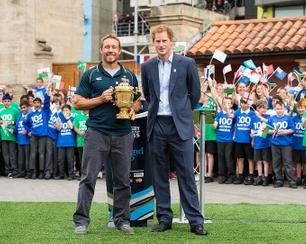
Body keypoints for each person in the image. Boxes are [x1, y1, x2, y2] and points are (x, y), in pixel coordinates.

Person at [141, 25, 207, 235]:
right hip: (157, 124)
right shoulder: (147, 67)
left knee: (186, 174)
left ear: (171, 42)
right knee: (159, 175)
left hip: (180, 125)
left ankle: (195, 221)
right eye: (157, 41)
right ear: (154, 43)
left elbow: (194, 94)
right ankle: (164, 218)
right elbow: (149, 96)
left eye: (164, 41)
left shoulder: (187, 63)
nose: (161, 45)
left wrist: (181, 111)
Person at [72, 33, 141, 235]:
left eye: (114, 47)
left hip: (123, 133)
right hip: (97, 132)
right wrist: (100, 99)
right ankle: (81, 220)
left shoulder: (129, 75)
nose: (110, 50)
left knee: (122, 180)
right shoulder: (91, 74)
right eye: (107, 47)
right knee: (88, 178)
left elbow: (137, 99)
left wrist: (132, 109)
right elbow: (77, 102)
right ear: (101, 50)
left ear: (119, 51)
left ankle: (122, 220)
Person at [268, 101, 297, 188]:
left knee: (288, 163)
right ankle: (279, 180)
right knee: (276, 162)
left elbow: (293, 129)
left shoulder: (288, 118)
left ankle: (291, 180)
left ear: (284, 109)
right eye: (277, 109)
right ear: (275, 109)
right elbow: (266, 131)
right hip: (275, 143)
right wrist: (274, 131)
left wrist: (285, 132)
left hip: (286, 144)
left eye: (281, 109)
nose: (279, 110)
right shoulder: (272, 119)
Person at [213, 97, 235, 184]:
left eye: (228, 103)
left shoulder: (233, 113)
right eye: (224, 103)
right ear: (222, 104)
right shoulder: (219, 114)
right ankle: (222, 175)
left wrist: (228, 110)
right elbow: (215, 125)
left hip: (229, 140)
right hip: (220, 139)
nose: (226, 105)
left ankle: (231, 175)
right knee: (221, 158)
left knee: (228, 158)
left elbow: (231, 116)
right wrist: (213, 123)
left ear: (231, 105)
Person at [0, 93, 20, 177]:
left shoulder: (15, 110)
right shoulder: (1, 111)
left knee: (12, 154)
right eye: (5, 101)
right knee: (5, 154)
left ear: (10, 102)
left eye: (8, 101)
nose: (6, 102)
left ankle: (14, 170)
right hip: (3, 136)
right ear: (2, 102)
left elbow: (19, 121)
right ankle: (7, 170)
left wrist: (13, 125)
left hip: (12, 136)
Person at [55, 104, 76, 180]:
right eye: (63, 110)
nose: (65, 112)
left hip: (70, 143)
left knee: (70, 160)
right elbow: (58, 129)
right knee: (61, 160)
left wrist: (67, 118)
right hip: (61, 142)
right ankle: (61, 174)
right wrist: (58, 123)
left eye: (67, 110)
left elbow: (71, 127)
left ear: (70, 111)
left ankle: (71, 175)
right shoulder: (60, 118)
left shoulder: (73, 118)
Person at [13, 101, 31, 178]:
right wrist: (13, 130)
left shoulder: (29, 117)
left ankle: (28, 172)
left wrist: (28, 131)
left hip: (27, 141)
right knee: (20, 158)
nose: (23, 109)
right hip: (20, 140)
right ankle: (21, 172)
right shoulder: (19, 117)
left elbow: (32, 127)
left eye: (24, 107)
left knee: (27, 158)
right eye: (21, 108)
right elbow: (16, 128)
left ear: (28, 108)